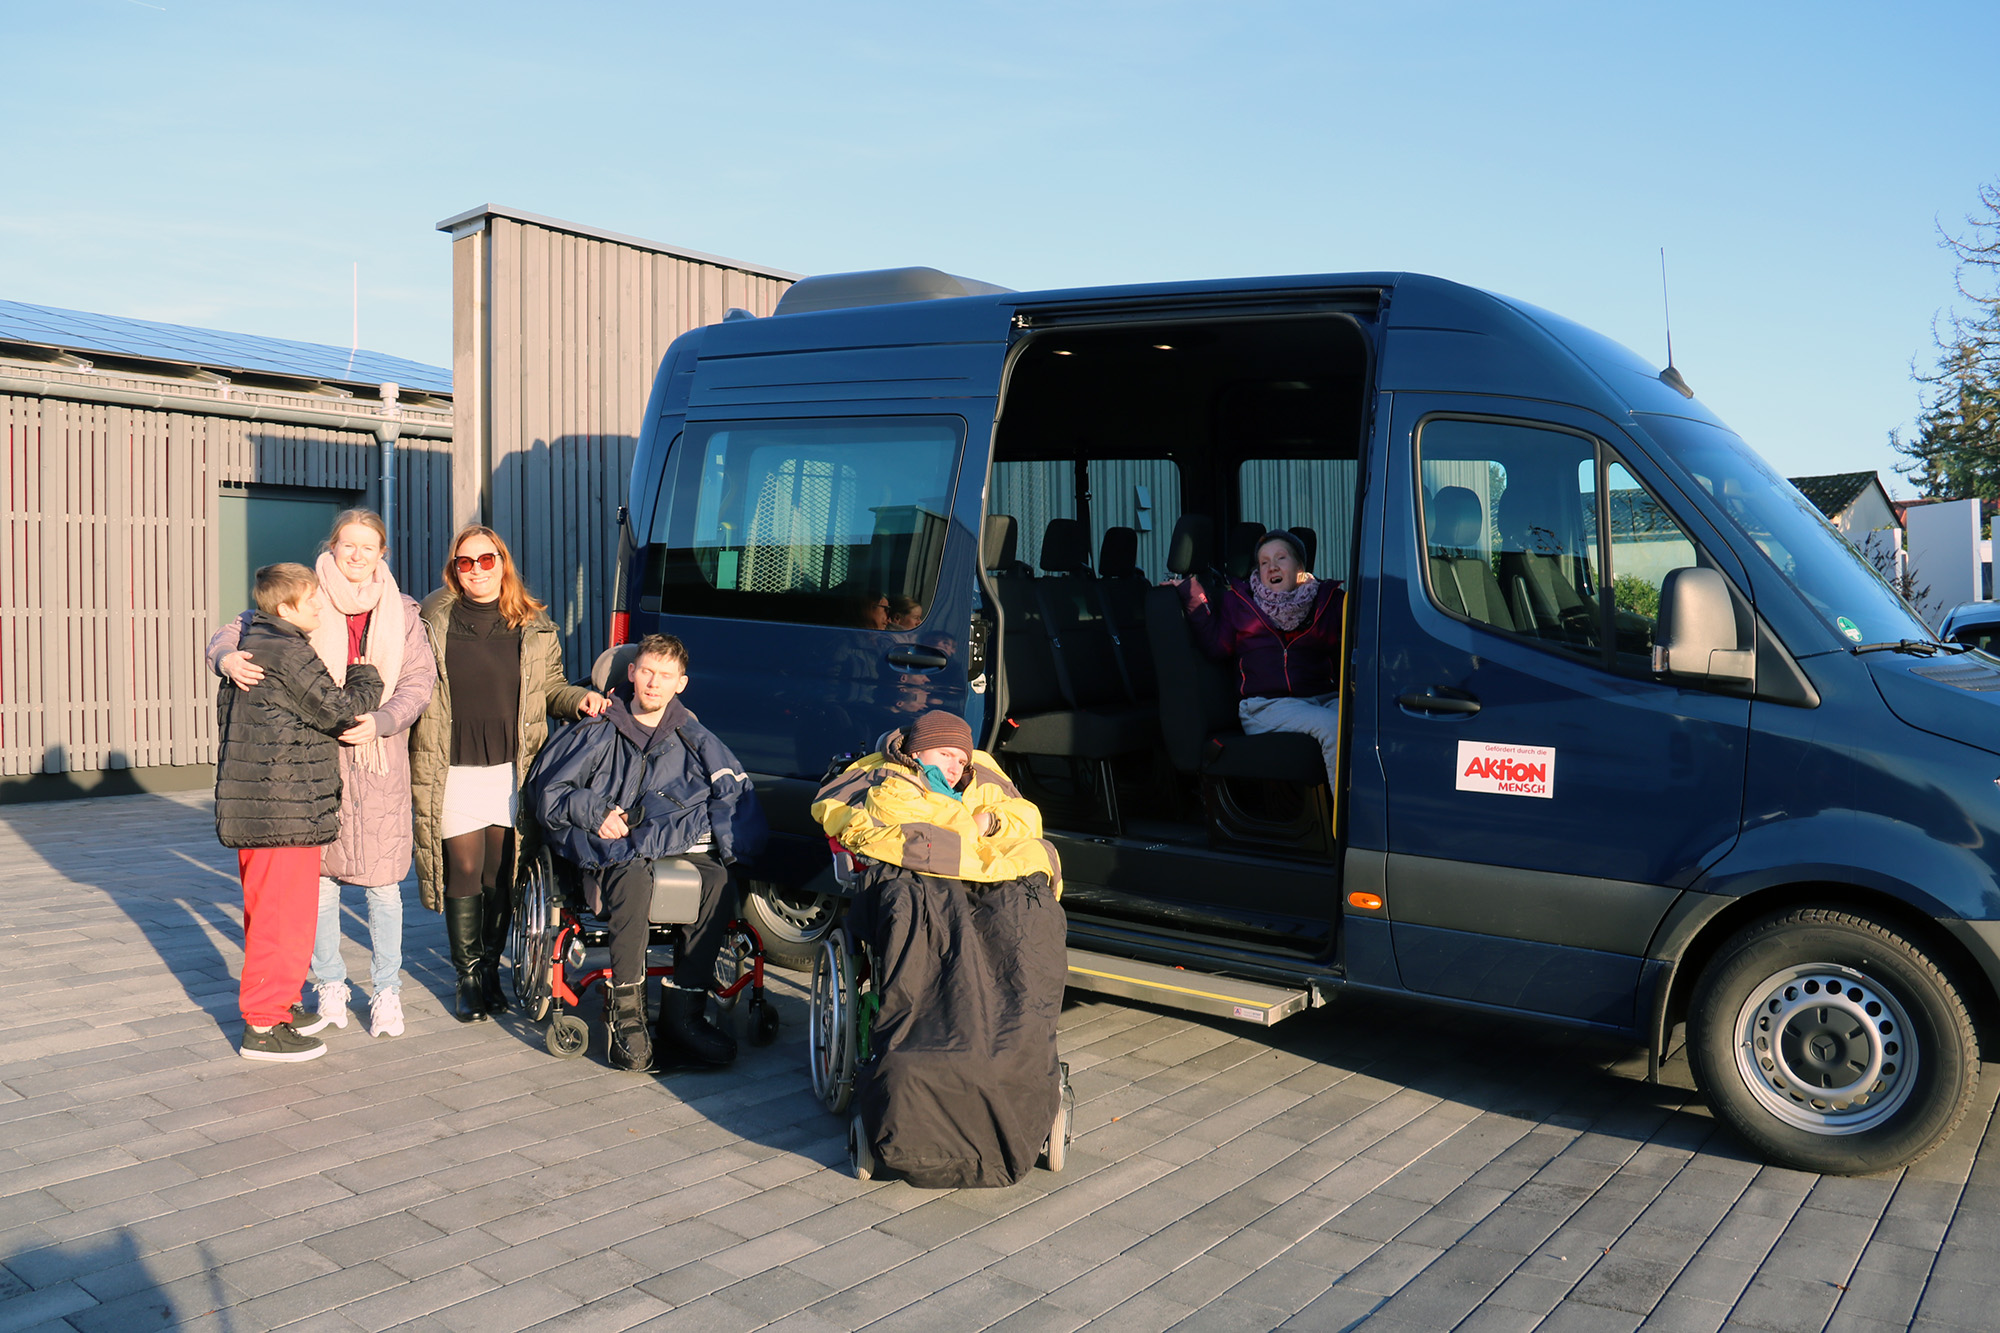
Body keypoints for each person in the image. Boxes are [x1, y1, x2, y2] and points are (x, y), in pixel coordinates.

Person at [812, 710, 1068, 1187]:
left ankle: (1018, 1060)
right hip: (920, 882)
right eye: (945, 754)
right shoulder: (887, 777)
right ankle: (923, 1072)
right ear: (916, 751)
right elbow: (869, 815)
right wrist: (966, 824)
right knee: (923, 936)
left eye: (961, 759)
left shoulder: (985, 778)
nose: (954, 767)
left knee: (1029, 928)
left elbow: (1026, 819)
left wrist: (989, 819)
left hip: (993, 883)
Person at [209, 510, 437, 1039]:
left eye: (368, 546)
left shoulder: (402, 610)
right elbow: (236, 629)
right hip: (314, 764)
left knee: (384, 885)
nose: (357, 555)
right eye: (347, 545)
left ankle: (386, 991)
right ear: (332, 547)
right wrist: (225, 658)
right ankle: (329, 983)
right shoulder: (304, 595)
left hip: (378, 760)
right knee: (320, 884)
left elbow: (419, 681)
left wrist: (382, 721)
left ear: (381, 553)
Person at [527, 634, 763, 1071]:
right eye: (648, 672)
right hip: (609, 848)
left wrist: (732, 845)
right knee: (634, 876)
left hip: (672, 841)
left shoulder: (694, 735)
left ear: (681, 683)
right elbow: (550, 792)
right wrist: (595, 812)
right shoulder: (597, 728)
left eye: (666, 676)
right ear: (632, 673)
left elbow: (732, 789)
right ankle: (626, 1016)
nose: (655, 683)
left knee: (717, 880)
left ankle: (684, 1014)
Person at [410, 525, 607, 1022]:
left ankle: (491, 972)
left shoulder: (534, 625)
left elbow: (551, 689)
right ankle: (467, 977)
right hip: (451, 766)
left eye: (486, 560)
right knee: (465, 869)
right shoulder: (430, 620)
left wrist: (580, 700)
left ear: (502, 563)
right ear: (454, 570)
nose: (476, 570)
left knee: (501, 875)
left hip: (510, 769)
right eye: (465, 562)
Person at [214, 563, 383, 1062]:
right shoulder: (288, 651)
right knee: (279, 920)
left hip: (272, 808)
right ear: (285, 608)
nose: (319, 607)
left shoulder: (260, 642)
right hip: (280, 810)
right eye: (311, 600)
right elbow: (340, 711)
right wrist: (365, 675)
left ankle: (280, 1004)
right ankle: (263, 1026)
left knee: (277, 916)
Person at [1171, 529, 1345, 786]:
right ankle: (1352, 812)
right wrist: (1193, 595)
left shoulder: (1328, 600)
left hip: (1322, 698)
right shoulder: (1239, 602)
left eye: (1281, 558)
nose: (1272, 567)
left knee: (1369, 720)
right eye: (1264, 562)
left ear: (1300, 567)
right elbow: (1218, 647)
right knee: (1334, 727)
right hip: (1266, 706)